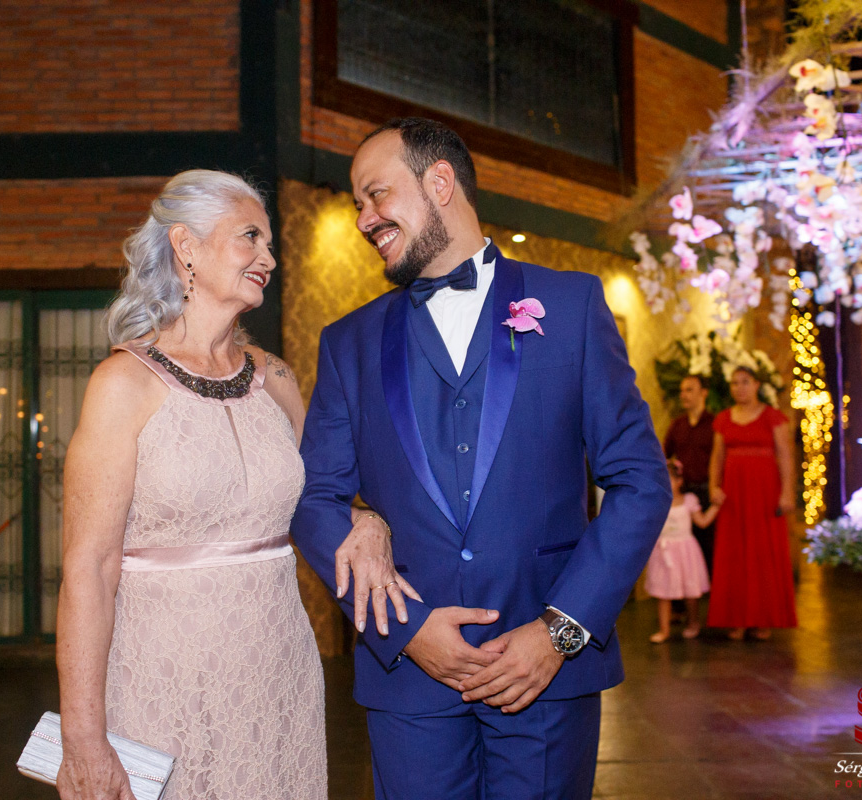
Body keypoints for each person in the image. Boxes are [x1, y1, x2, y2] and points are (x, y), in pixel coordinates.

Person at [291, 118, 671, 800]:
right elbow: (314, 498)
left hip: (546, 677)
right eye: (357, 204)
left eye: (376, 195)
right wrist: (406, 631)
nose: (364, 219)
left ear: (440, 182)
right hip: (409, 683)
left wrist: (559, 632)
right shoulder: (348, 342)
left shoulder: (572, 306)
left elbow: (640, 482)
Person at [55, 170, 372, 800]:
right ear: (186, 246)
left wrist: (372, 521)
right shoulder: (122, 385)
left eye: (270, 243)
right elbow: (88, 568)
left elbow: (324, 499)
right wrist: (82, 737)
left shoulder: (276, 378)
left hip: (278, 675)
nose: (269, 259)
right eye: (250, 237)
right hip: (162, 680)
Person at [707, 365, 798, 641]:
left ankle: (762, 619)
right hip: (733, 495)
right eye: (734, 383)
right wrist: (713, 486)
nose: (739, 388)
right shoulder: (723, 419)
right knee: (733, 553)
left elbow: (786, 456)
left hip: (764, 493)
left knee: (763, 553)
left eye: (745, 382)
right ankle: (736, 619)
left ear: (757, 385)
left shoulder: (773, 417)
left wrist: (787, 492)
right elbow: (717, 457)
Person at [646, 459, 720, 643]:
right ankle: (664, 630)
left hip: (686, 552)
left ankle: (693, 623)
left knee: (691, 591)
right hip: (663, 552)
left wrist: (716, 506)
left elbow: (702, 522)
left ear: (679, 481)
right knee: (663, 593)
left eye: (669, 479)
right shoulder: (658, 502)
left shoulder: (689, 501)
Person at [663, 374, 716, 573]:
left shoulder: (714, 424)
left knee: (708, 547)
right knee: (682, 548)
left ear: (704, 393)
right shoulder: (677, 425)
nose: (683, 395)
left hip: (707, 492)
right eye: (682, 390)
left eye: (689, 389)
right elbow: (664, 456)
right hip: (684, 494)